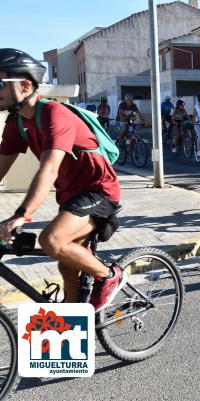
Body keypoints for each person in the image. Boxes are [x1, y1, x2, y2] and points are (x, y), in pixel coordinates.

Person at [0, 48, 126, 310]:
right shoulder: (16, 124)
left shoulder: (54, 115)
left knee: (51, 240)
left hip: (98, 191)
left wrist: (22, 214)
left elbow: (49, 169)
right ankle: (74, 328)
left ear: (24, 85)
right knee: (67, 266)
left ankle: (110, 275)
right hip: (71, 197)